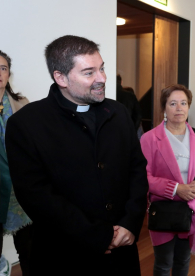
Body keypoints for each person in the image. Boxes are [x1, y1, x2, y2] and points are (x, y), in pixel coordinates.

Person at [5, 35, 149, 276]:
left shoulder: (119, 112)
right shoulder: (26, 123)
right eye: (89, 72)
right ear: (60, 77)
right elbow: (36, 195)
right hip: (64, 255)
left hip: (122, 251)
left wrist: (130, 223)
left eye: (102, 68)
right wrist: (96, 236)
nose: (102, 78)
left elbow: (137, 169)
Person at [140, 84, 195, 276]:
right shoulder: (150, 139)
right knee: (164, 263)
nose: (179, 108)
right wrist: (175, 189)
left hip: (189, 211)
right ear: (164, 108)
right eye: (173, 103)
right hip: (163, 210)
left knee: (183, 261)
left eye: (183, 103)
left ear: (189, 107)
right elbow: (143, 177)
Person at [0, 50, 33, 276]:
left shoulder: (22, 104)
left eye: (3, 68)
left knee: (30, 249)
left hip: (21, 189)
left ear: (9, 73)